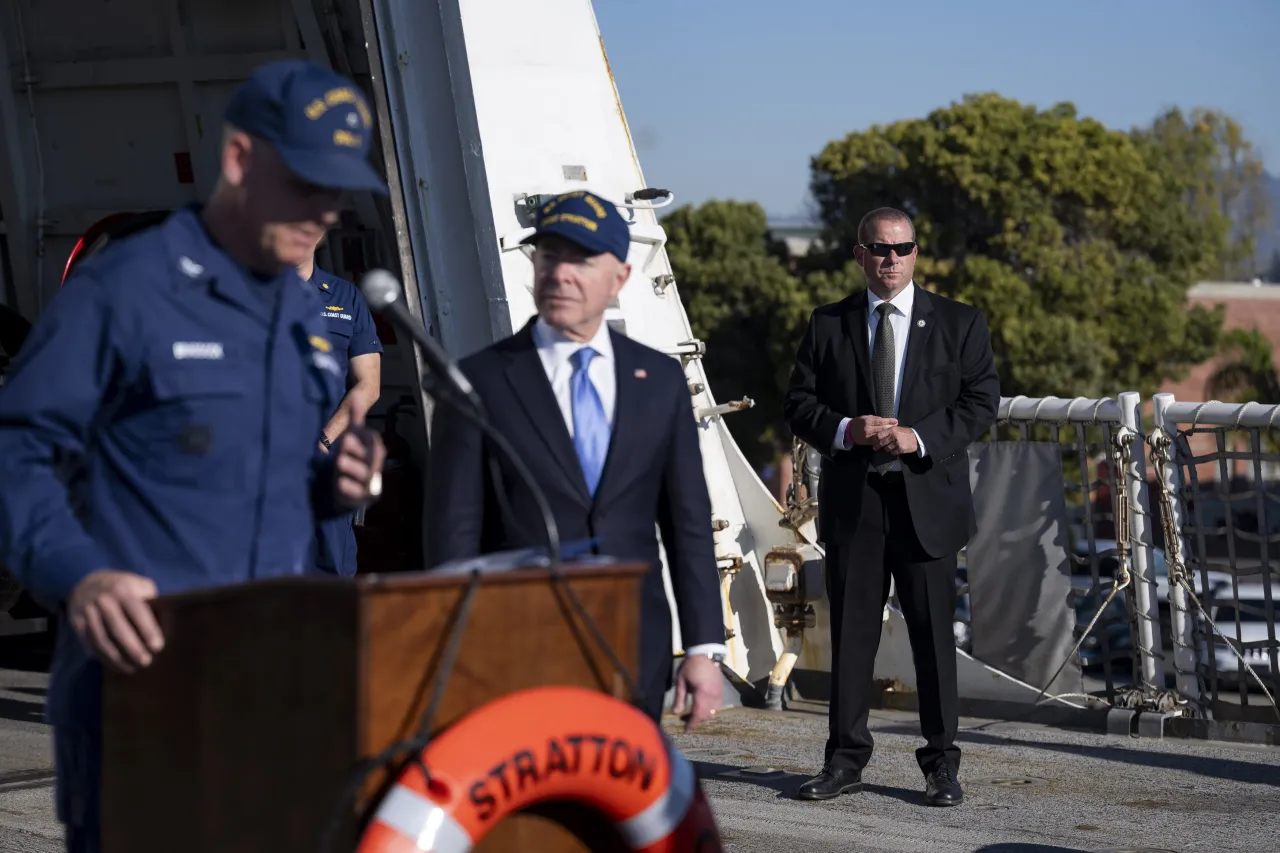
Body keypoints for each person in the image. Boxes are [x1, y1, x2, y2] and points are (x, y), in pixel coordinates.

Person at [0, 59, 388, 851]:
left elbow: (265, 475)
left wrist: (333, 485)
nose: (322, 211)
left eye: (336, 191)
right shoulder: (123, 293)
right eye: (304, 181)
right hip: (143, 702)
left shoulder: (292, 306)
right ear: (241, 160)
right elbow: (18, 452)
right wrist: (79, 574)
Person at [424, 190, 726, 729]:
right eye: (548, 255)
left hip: (633, 648)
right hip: (514, 650)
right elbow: (453, 530)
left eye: (580, 258)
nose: (559, 272)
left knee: (619, 807)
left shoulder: (658, 381)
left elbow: (687, 525)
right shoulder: (477, 382)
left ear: (620, 277)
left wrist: (704, 648)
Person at [782, 207, 999, 806]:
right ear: (859, 255)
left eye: (901, 249)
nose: (890, 260)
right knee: (852, 638)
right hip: (856, 505)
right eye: (878, 248)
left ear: (916, 254)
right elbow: (799, 404)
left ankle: (940, 765)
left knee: (933, 640)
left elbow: (981, 403)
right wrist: (848, 429)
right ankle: (844, 761)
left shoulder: (959, 322)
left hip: (927, 503)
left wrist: (918, 436)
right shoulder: (828, 324)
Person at [299, 246, 383, 577]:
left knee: (331, 573)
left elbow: (369, 385)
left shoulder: (345, 297)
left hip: (326, 462)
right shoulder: (244, 291)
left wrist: (323, 440)